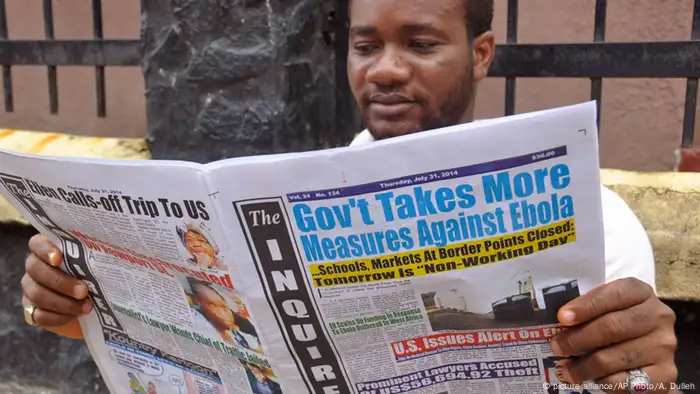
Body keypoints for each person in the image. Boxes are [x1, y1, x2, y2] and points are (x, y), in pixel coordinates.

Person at [19, 0, 677, 392]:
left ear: (480, 54)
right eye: (365, 45)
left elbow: (625, 377)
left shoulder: (594, 221)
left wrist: (644, 379)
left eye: (420, 44)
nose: (385, 69)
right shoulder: (286, 192)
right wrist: (73, 301)